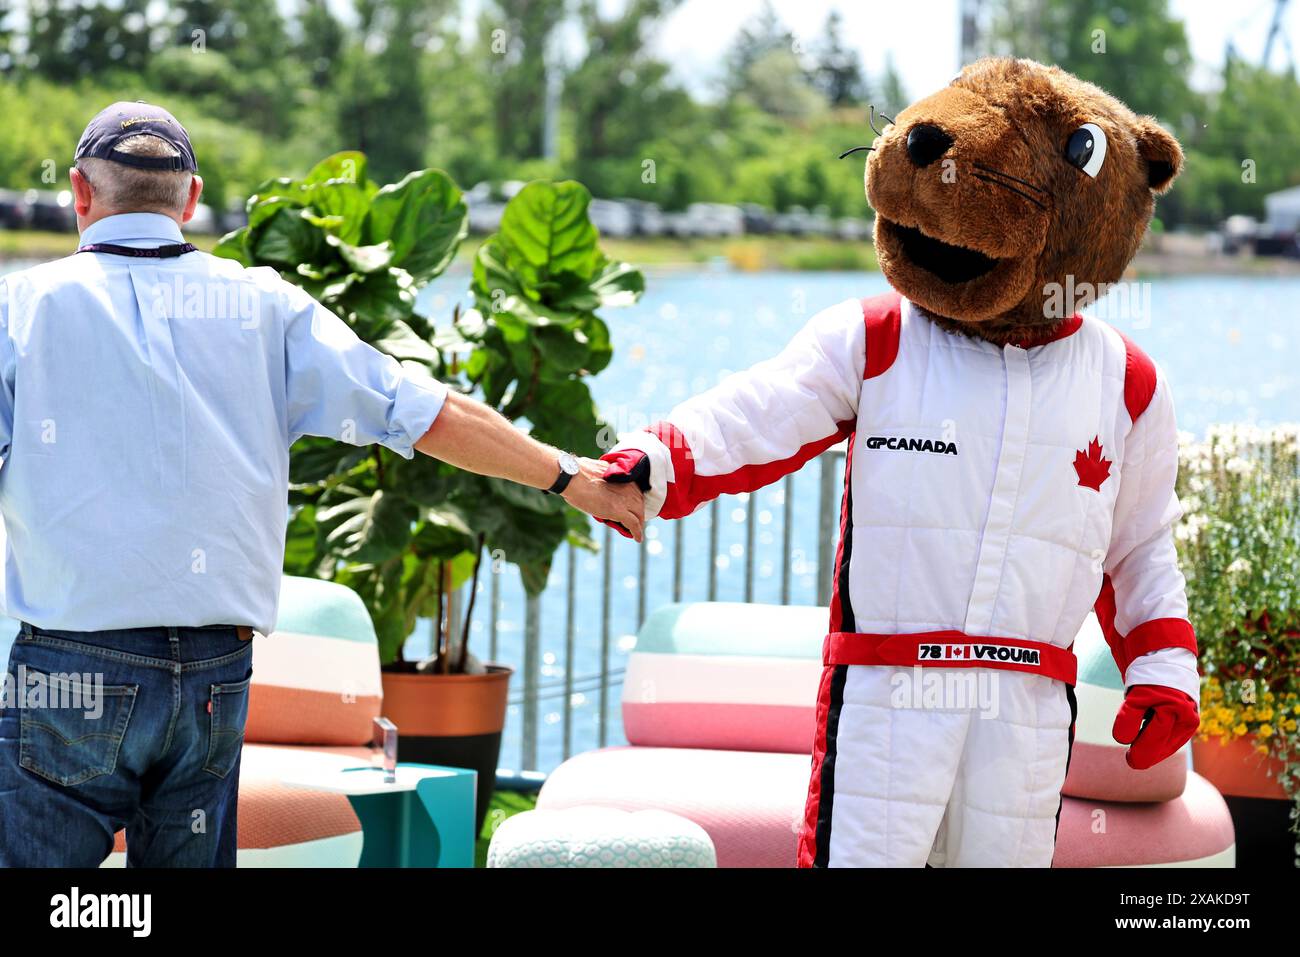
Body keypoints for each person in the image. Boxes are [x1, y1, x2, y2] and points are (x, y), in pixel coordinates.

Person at [0, 101, 644, 868]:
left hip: (71, 672)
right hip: (214, 676)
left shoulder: (21, 309)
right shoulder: (264, 306)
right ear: (192, 200)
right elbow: (427, 410)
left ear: (79, 192)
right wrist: (572, 475)